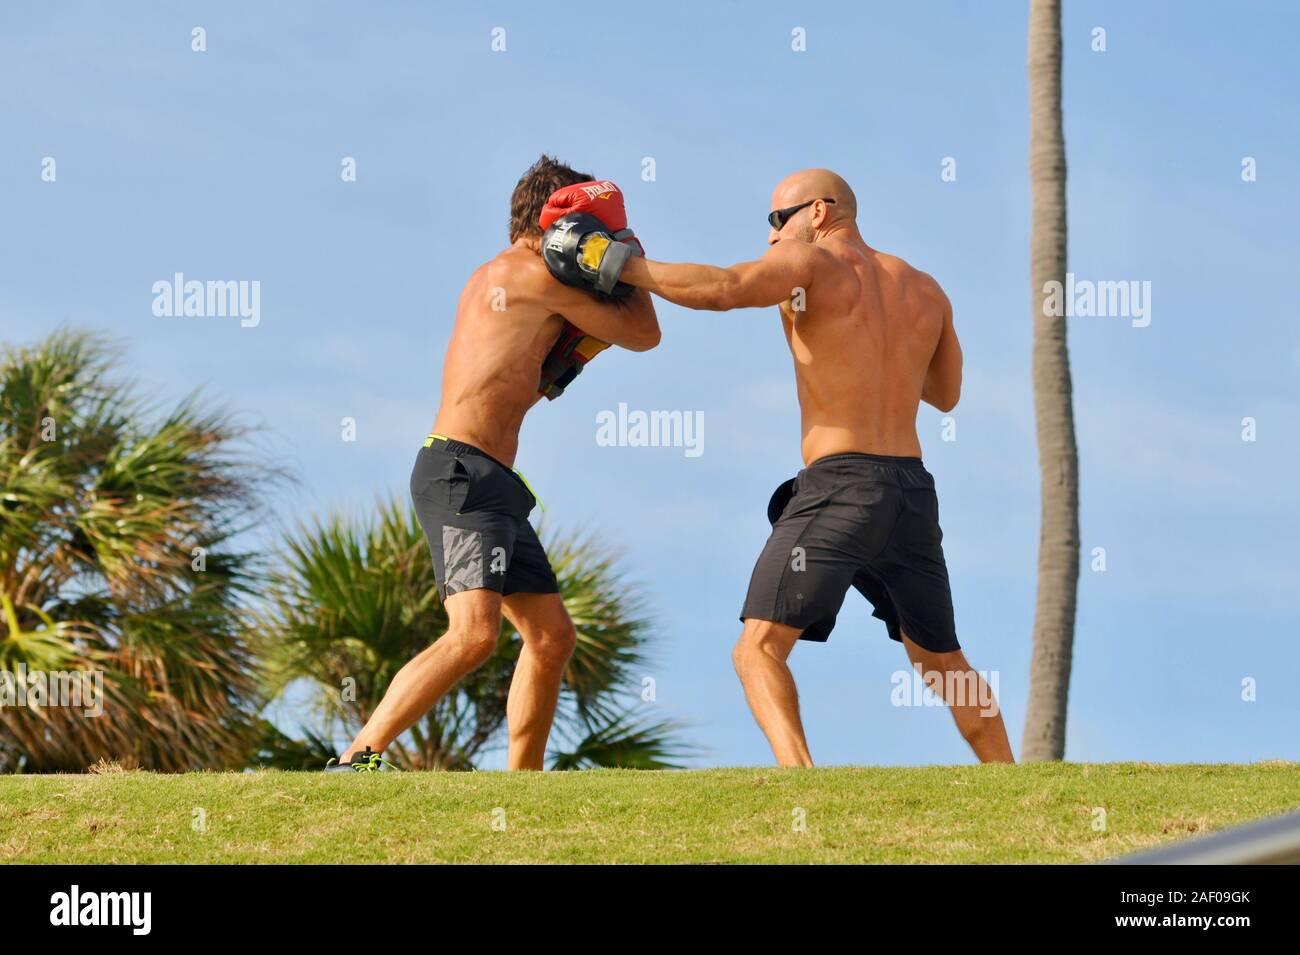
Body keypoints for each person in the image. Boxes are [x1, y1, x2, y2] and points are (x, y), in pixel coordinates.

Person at [551, 167, 1012, 765]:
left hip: (843, 483)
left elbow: (723, 287)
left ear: (819, 213)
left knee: (757, 649)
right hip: (911, 494)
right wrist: (881, 355)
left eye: (777, 220)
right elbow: (946, 394)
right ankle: (1014, 782)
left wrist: (613, 261)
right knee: (942, 662)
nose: (771, 237)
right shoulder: (926, 289)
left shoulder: (810, 264)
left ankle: (802, 787)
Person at [328, 156, 659, 772]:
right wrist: (628, 258)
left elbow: (584, 349)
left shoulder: (518, 280)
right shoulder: (529, 274)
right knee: (473, 635)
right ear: (557, 219)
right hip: (460, 474)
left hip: (491, 480)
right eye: (589, 226)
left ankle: (521, 785)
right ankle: (356, 759)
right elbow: (643, 331)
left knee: (552, 636)